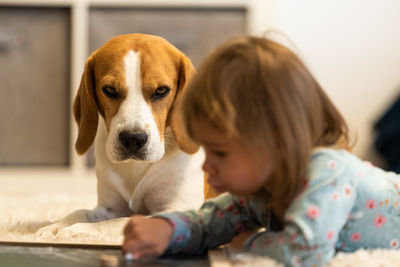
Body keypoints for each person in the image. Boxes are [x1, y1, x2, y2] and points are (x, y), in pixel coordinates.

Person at [122, 35, 400, 266]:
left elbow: (306, 252)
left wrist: (250, 243)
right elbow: (210, 223)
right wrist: (168, 229)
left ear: (277, 143)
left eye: (220, 153)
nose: (206, 167)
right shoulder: (260, 189)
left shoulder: (327, 171)